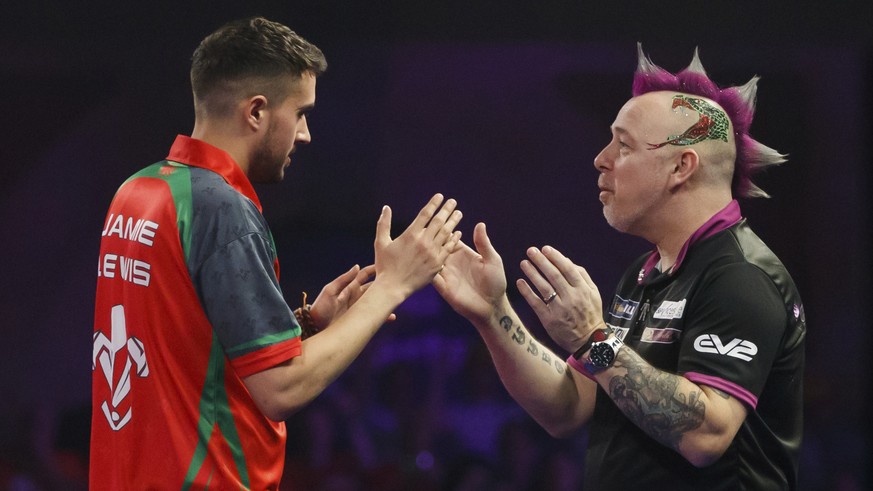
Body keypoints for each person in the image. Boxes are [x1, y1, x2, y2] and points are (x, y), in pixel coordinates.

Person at [90, 16, 462, 489]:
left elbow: (185, 341)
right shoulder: (221, 207)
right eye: (301, 112)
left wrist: (303, 325)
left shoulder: (137, 191)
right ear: (257, 112)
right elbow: (280, 389)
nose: (304, 134)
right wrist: (390, 287)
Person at [434, 44, 805, 490]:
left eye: (623, 144)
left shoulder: (741, 276)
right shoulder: (645, 273)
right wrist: (493, 314)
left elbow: (706, 435)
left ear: (681, 167)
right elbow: (569, 406)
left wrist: (594, 339)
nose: (601, 159)